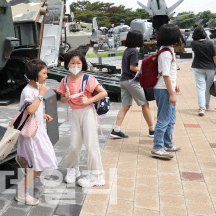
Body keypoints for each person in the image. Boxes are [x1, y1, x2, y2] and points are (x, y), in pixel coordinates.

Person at [58, 49, 108, 188]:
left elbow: (103, 92)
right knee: (74, 144)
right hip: (74, 114)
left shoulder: (88, 79)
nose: (75, 65)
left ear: (83, 64)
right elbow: (62, 99)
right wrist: (66, 98)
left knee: (91, 144)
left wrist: (89, 100)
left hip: (87, 113)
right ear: (67, 64)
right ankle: (73, 168)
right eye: (72, 63)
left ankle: (97, 175)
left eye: (78, 63)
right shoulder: (65, 80)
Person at [15, 59, 57, 205]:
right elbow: (30, 109)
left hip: (37, 131)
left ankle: (24, 165)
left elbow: (34, 110)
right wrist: (41, 94)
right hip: (32, 135)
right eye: (44, 73)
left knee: (40, 161)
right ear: (34, 74)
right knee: (39, 163)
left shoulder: (36, 88)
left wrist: (42, 115)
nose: (46, 76)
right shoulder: (29, 91)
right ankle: (22, 193)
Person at [111, 30, 155, 139]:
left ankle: (116, 129)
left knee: (125, 105)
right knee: (145, 105)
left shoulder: (127, 50)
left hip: (124, 81)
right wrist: (144, 71)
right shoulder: (134, 51)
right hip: (132, 81)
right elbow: (133, 67)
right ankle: (152, 130)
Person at [151, 24, 183, 160]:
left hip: (167, 88)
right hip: (164, 90)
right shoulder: (165, 53)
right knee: (164, 119)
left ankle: (168, 144)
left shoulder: (168, 50)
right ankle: (157, 147)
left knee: (170, 119)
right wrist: (171, 94)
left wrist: (174, 85)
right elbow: (165, 75)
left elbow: (170, 72)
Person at [191, 27, 216, 116]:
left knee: (200, 88)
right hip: (210, 68)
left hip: (198, 67)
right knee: (208, 87)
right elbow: (215, 57)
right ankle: (207, 104)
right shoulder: (211, 43)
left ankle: (201, 108)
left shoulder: (194, 44)